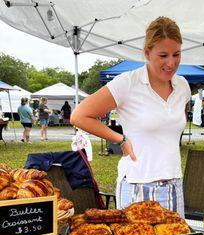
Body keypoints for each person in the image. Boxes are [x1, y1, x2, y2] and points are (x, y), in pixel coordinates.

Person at [71, 16, 191, 217]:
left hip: (174, 184)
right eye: (163, 55)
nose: (171, 63)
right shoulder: (127, 83)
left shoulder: (183, 86)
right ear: (147, 52)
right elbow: (80, 115)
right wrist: (120, 139)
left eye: (176, 54)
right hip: (137, 184)